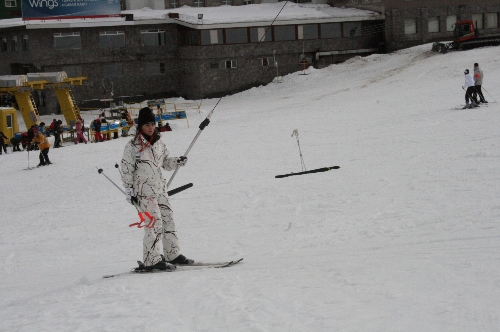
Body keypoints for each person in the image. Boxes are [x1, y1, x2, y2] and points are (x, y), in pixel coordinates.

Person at [120, 107, 192, 271]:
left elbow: (165, 162)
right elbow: (126, 169)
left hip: (160, 189)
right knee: (154, 223)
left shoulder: (158, 143)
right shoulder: (132, 146)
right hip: (144, 192)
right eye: (147, 124)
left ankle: (172, 253)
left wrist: (176, 162)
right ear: (140, 126)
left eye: (152, 124)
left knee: (168, 219)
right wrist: (129, 191)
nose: (151, 127)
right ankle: (151, 259)